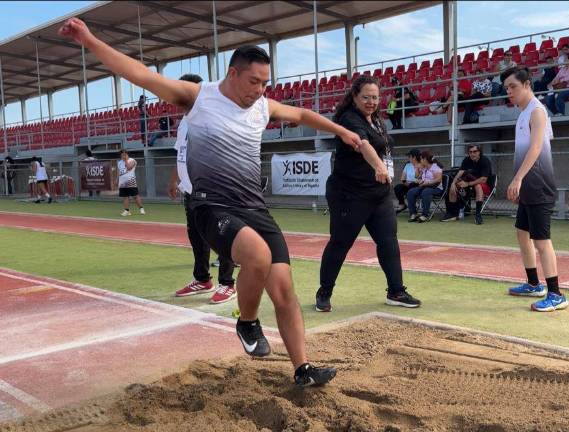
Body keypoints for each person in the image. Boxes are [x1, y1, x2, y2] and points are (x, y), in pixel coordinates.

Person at [61, 18, 356, 386]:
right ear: (233, 73)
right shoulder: (199, 97)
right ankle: (247, 322)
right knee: (258, 257)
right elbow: (139, 74)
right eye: (254, 81)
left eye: (265, 83)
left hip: (253, 207)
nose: (259, 90)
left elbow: (301, 114)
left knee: (284, 289)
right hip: (211, 206)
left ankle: (302, 369)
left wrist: (342, 131)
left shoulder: (262, 107)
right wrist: (88, 38)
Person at [315, 75, 422, 313]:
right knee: (340, 243)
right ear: (354, 96)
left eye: (375, 97)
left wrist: (382, 171)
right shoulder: (348, 119)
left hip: (378, 194)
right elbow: (363, 144)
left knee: (388, 241)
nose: (371, 102)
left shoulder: (376, 120)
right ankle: (324, 292)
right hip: (349, 194)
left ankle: (396, 291)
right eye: (366, 97)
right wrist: (379, 166)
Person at [167, 73, 237, 305]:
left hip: (214, 188)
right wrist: (174, 179)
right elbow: (181, 152)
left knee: (222, 234)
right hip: (190, 190)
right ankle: (202, 279)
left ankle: (227, 283)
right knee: (197, 236)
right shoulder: (184, 121)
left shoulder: (213, 116)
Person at [503, 66, 568, 312]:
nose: (509, 92)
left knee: (541, 241)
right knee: (522, 233)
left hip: (539, 185)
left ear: (527, 84)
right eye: (506, 88)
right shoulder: (523, 113)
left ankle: (556, 294)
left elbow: (536, 148)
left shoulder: (537, 111)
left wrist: (518, 179)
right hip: (527, 186)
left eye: (513, 86)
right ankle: (533, 284)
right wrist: (519, 182)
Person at [441, 144, 493, 225]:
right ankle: (453, 214)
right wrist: (453, 183)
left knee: (478, 186)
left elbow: (483, 179)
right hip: (470, 185)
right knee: (453, 186)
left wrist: (468, 184)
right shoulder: (467, 160)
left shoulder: (485, 161)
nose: (472, 154)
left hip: (485, 186)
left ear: (479, 152)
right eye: (470, 152)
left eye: (475, 151)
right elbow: (460, 172)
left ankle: (478, 215)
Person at [406, 150, 443, 222]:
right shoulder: (424, 168)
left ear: (425, 159)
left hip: (436, 188)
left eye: (421, 159)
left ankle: (425, 214)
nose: (420, 160)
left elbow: (438, 179)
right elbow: (417, 177)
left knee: (426, 192)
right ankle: (413, 213)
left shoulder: (435, 167)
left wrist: (427, 183)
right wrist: (420, 179)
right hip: (424, 186)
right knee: (411, 192)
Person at [117, 149, 145, 216]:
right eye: (122, 155)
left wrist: (126, 160)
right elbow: (119, 172)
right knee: (125, 197)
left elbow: (129, 168)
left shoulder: (132, 160)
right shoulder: (119, 162)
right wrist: (117, 180)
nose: (123, 156)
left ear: (127, 154)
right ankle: (127, 210)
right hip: (122, 183)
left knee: (135, 196)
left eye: (124, 155)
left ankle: (141, 208)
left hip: (131, 182)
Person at [393, 148, 421, 213]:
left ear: (414, 157)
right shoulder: (408, 165)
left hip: (418, 185)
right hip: (408, 184)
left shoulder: (421, 165)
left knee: (412, 185)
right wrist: (406, 183)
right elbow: (403, 178)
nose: (408, 158)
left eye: (409, 156)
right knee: (398, 187)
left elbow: (422, 177)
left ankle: (413, 207)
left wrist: (413, 182)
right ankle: (402, 205)